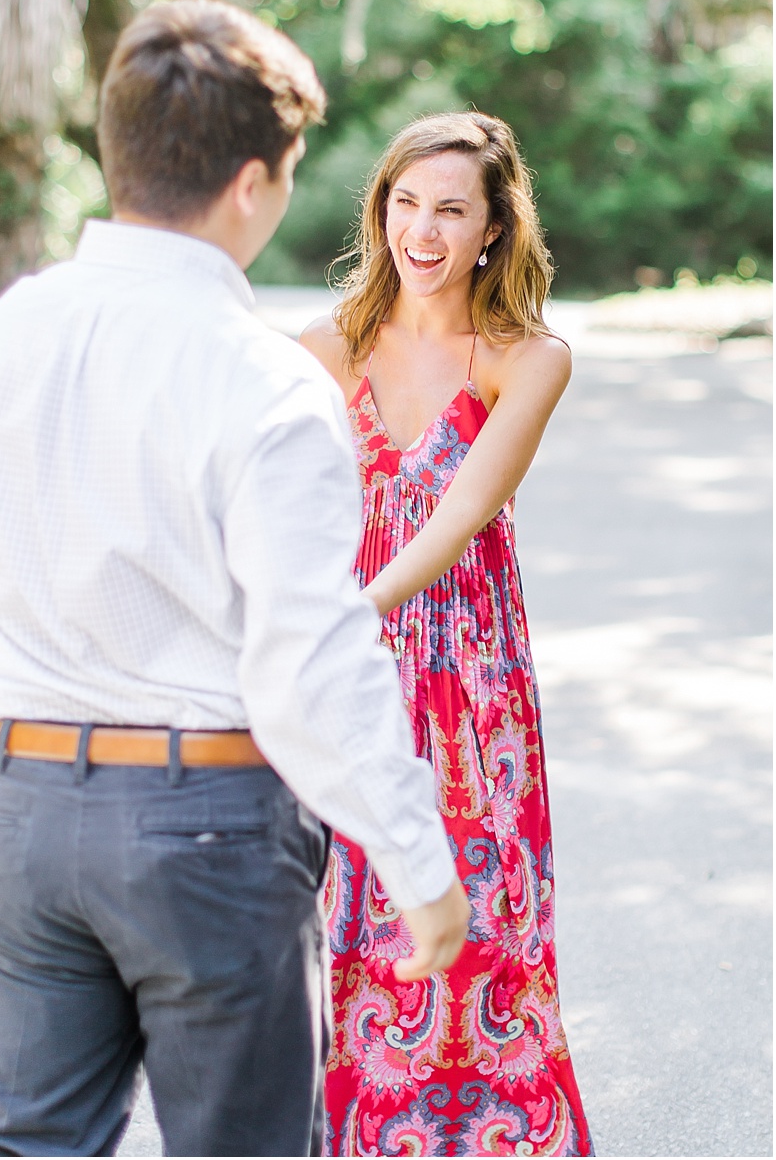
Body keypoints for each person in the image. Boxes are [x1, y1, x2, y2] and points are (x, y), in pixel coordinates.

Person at [0, 0, 471, 1158]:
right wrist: (417, 860)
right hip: (205, 824)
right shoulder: (264, 382)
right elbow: (308, 655)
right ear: (251, 183)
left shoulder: (2, 338)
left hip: (19, 807)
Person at [299, 112, 593, 1156]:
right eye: (404, 202)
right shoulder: (323, 349)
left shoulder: (530, 358)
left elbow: (460, 513)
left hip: (470, 686)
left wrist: (347, 617)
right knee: (357, 935)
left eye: (451, 210)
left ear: (494, 230)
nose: (421, 230)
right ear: (380, 210)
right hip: (345, 682)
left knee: (487, 932)